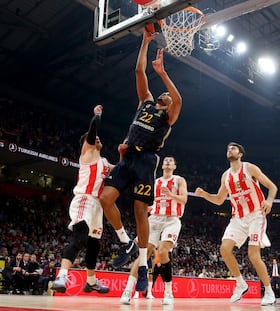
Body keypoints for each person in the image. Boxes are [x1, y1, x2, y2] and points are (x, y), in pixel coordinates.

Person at [99, 25, 182, 293]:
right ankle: (127, 243)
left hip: (147, 160)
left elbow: (179, 99)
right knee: (105, 198)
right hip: (127, 158)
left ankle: (144, 264)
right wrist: (145, 41)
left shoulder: (168, 116)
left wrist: (163, 73)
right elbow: (138, 71)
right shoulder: (145, 101)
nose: (165, 94)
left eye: (167, 95)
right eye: (164, 92)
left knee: (138, 211)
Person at [195, 142, 278, 306]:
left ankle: (269, 291)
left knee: (253, 255)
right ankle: (240, 284)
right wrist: (204, 194)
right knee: (224, 249)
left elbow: (272, 187)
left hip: (256, 215)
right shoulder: (225, 176)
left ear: (240, 154)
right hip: (238, 218)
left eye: (233, 148)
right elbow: (219, 200)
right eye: (227, 149)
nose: (229, 150)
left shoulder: (249, 168)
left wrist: (269, 201)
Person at [51, 105, 113, 294]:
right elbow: (93, 132)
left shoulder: (103, 162)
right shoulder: (88, 152)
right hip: (84, 199)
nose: (98, 140)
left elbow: (121, 170)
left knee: (94, 243)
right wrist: (97, 116)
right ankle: (62, 275)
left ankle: (91, 281)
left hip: (97, 205)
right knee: (80, 235)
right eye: (94, 139)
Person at [120, 156, 188, 305]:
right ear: (162, 165)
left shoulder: (179, 180)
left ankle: (168, 292)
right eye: (166, 160)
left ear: (174, 166)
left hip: (172, 219)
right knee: (144, 255)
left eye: (171, 161)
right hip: (155, 219)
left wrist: (170, 194)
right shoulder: (155, 181)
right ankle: (127, 290)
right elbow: (148, 203)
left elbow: (184, 199)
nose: (168, 162)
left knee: (163, 252)